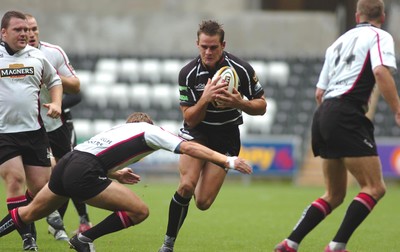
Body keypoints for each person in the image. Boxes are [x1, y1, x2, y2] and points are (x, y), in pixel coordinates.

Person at [0, 112, 252, 252]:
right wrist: (227, 161)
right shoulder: (150, 131)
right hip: (83, 170)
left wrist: (115, 174)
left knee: (28, 212)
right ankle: (84, 239)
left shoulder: (114, 130)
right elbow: (190, 148)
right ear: (146, 123)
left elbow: (85, 156)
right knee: (139, 211)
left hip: (68, 163)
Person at [274, 1, 400, 252]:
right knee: (375, 187)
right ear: (382, 16)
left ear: (357, 15)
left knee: (334, 194)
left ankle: (290, 243)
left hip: (323, 115)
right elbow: (380, 72)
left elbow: (319, 92)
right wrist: (398, 108)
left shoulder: (337, 43)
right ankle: (336, 246)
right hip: (347, 112)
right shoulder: (380, 36)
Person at [158, 20, 267, 252]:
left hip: (226, 135)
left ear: (223, 45)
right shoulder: (187, 74)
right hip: (196, 133)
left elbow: (262, 106)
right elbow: (190, 119)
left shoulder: (242, 69)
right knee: (186, 185)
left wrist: (240, 102)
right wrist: (205, 99)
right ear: (197, 44)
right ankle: (168, 244)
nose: (208, 52)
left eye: (214, 47)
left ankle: (204, 170)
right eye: (204, 46)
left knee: (203, 202)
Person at [25, 13, 92, 241]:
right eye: (26, 30)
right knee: (28, 178)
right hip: (25, 127)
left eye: (34, 28)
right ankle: (31, 233)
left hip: (56, 125)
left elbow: (76, 87)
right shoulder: (6, 59)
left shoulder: (53, 53)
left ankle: (60, 222)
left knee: (67, 173)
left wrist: (51, 76)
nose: (31, 34)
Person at [0, 10, 63, 251]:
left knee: (42, 190)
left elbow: (54, 81)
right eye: (18, 30)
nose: (25, 34)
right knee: (15, 179)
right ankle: (29, 239)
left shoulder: (36, 56)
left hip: (34, 132)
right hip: (4, 133)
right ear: (3, 32)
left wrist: (56, 103)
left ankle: (16, 222)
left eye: (27, 30)